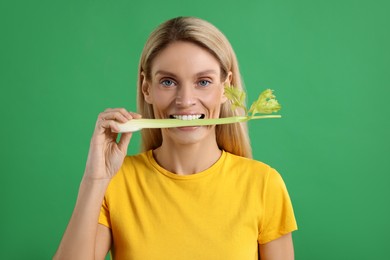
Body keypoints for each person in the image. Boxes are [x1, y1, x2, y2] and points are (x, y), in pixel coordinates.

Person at [54, 16, 297, 260]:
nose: (185, 100)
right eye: (168, 82)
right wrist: (95, 179)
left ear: (227, 88)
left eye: (203, 81)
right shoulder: (115, 182)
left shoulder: (264, 185)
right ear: (146, 88)